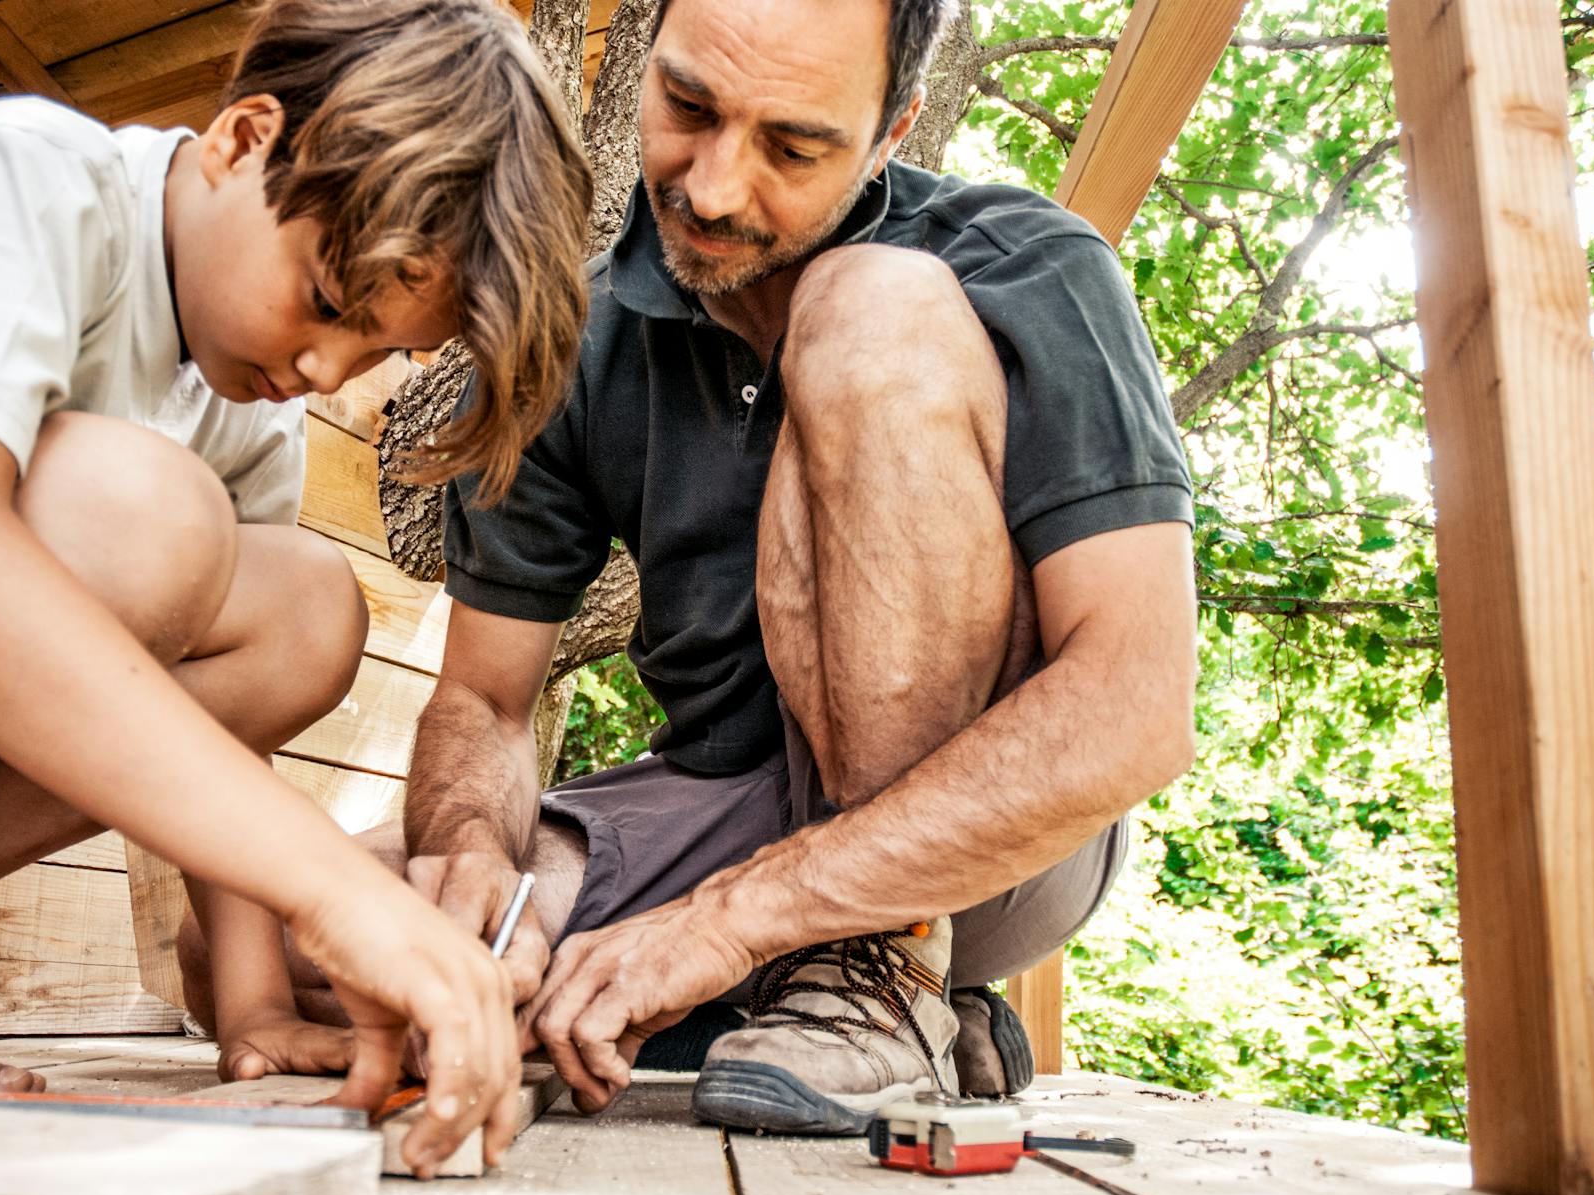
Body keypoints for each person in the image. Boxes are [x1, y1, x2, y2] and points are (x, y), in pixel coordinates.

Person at [219, 0, 1198, 1135]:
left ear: (892, 132)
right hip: (724, 807)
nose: (717, 187)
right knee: (310, 939)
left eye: (793, 146)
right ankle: (740, 1009)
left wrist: (730, 919)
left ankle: (883, 972)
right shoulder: (576, 334)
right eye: (687, 106)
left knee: (863, 301)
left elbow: (1134, 706)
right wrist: (472, 860)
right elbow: (484, 700)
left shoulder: (1033, 264)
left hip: (984, 837)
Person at [0, 0, 591, 1174]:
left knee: (303, 610)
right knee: (140, 516)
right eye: (329, 304)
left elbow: (204, 718)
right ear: (244, 138)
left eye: (378, 354)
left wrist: (249, 1005)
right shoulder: (23, 176)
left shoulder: (238, 398)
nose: (322, 369)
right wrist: (334, 892)